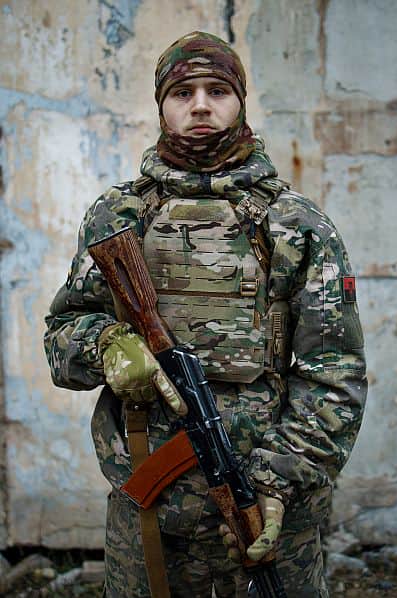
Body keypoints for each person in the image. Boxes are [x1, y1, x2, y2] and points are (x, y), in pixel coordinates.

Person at [44, 31, 367, 598]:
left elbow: (335, 373)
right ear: (161, 105)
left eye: (217, 91)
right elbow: (61, 339)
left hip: (269, 508)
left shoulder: (296, 224)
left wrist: (276, 482)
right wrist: (107, 346)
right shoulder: (119, 216)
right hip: (151, 513)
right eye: (182, 92)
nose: (199, 106)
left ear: (240, 101)